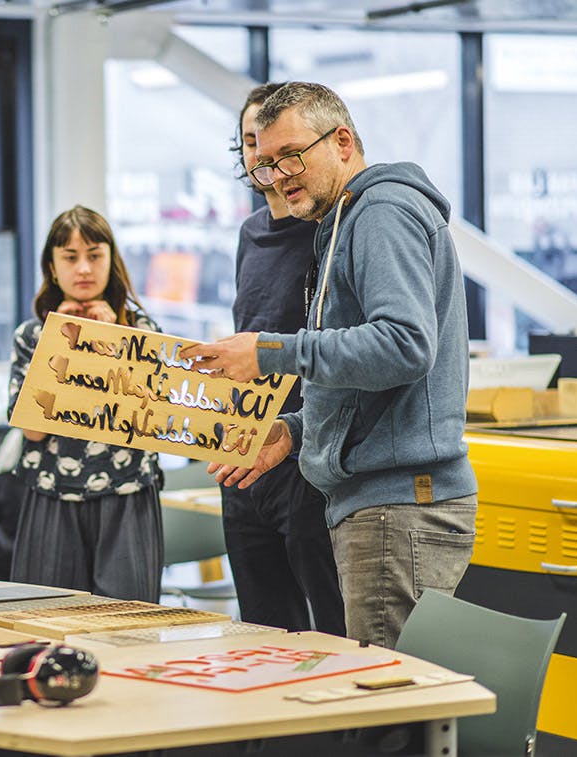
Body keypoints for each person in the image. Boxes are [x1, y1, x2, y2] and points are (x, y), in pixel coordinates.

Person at [182, 82, 477, 649]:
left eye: (291, 155)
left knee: (385, 716)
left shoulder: (382, 213)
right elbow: (359, 376)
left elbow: (404, 345)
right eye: (264, 164)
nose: (278, 175)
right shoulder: (341, 221)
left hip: (396, 506)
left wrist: (271, 351)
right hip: (375, 502)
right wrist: (293, 432)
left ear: (342, 141)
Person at [219, 83, 345, 635]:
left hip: (304, 450)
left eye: (275, 151)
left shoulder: (327, 228)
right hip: (246, 448)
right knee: (261, 627)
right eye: (250, 144)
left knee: (328, 625)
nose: (261, 159)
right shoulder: (248, 234)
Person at [7, 205, 163, 603]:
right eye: (70, 257)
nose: (83, 269)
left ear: (112, 261)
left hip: (127, 492)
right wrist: (62, 341)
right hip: (51, 491)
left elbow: (149, 421)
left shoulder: (143, 332)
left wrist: (112, 343)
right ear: (52, 266)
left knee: (129, 626)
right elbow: (33, 428)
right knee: (44, 622)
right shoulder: (30, 336)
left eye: (94, 256)